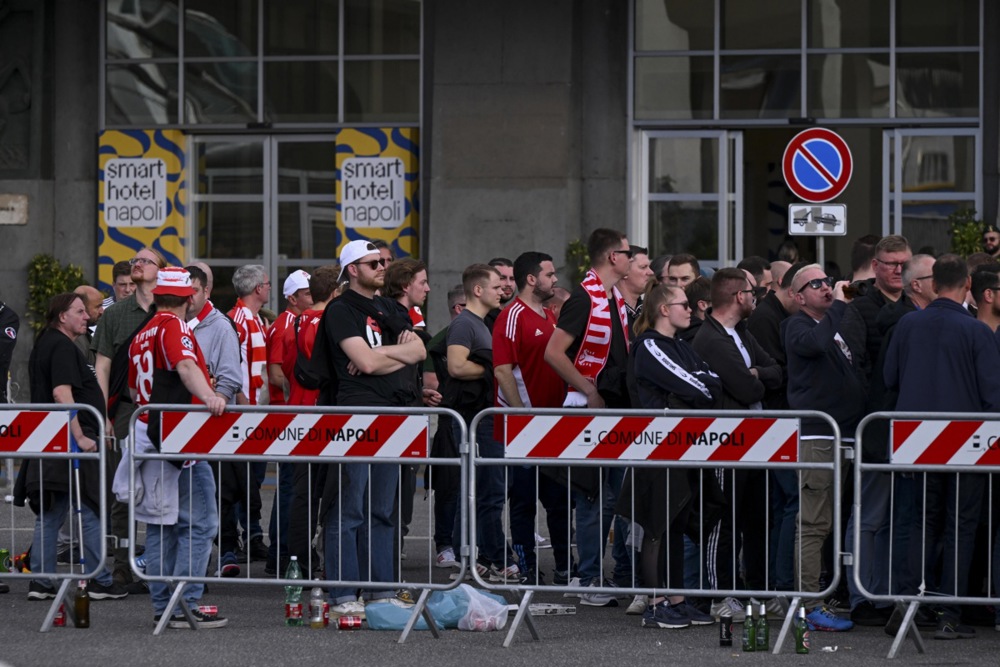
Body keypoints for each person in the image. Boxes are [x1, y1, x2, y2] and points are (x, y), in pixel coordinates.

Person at [884, 254, 1000, 640]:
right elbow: (993, 394)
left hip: (915, 440)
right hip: (966, 443)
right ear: (967, 285)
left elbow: (890, 377)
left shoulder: (907, 324)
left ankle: (908, 605)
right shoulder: (977, 331)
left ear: (934, 285)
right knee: (960, 527)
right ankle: (949, 613)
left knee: (917, 523)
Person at [318, 239, 425, 618]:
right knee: (349, 509)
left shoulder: (388, 307)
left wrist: (378, 354)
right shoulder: (340, 309)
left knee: (382, 510)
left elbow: (419, 351)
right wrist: (382, 357)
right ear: (353, 270)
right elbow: (363, 364)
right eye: (373, 263)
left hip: (391, 416)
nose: (382, 267)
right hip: (356, 415)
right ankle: (343, 593)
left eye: (382, 262)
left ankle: (381, 591)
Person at [127, 267, 228, 628]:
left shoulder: (142, 332)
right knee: (201, 523)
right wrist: (210, 395)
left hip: (149, 435)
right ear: (188, 298)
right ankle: (186, 603)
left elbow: (133, 389)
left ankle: (163, 606)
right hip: (177, 439)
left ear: (157, 296)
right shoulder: (174, 326)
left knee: (161, 526)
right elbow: (184, 364)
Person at [620, 282, 720, 629]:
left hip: (682, 445)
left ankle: (676, 598)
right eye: (683, 305)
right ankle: (657, 602)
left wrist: (694, 389)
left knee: (675, 524)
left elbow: (713, 382)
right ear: (664, 310)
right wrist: (694, 389)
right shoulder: (649, 345)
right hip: (657, 447)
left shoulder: (680, 345)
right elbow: (700, 388)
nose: (690, 309)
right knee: (657, 525)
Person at [544, 228, 633, 607]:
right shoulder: (584, 298)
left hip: (612, 408)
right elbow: (554, 352)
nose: (632, 258)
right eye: (628, 252)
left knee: (610, 497)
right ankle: (589, 577)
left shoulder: (614, 297)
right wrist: (589, 390)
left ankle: (597, 572)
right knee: (593, 497)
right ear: (613, 257)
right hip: (588, 409)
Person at [21, 293, 127, 602]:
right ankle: (98, 579)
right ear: (62, 316)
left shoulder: (48, 342)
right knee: (90, 507)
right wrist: (80, 437)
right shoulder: (62, 346)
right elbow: (62, 393)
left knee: (53, 511)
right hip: (69, 441)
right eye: (79, 311)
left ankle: (42, 581)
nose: (87, 316)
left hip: (52, 438)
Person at [691, 267, 780, 621]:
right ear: (738, 296)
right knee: (725, 520)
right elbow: (747, 389)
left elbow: (776, 370)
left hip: (756, 439)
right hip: (726, 441)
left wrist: (757, 373)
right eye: (752, 293)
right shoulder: (711, 339)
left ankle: (757, 591)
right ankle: (720, 595)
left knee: (757, 519)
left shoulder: (741, 331)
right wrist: (755, 377)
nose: (756, 298)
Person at [783, 264, 864, 633]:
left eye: (827, 281)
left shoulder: (829, 324)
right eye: (814, 284)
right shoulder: (797, 326)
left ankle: (818, 598)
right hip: (817, 438)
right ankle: (808, 604)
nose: (826, 287)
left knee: (827, 523)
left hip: (840, 435)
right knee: (813, 524)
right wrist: (840, 307)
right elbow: (815, 345)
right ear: (798, 297)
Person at [492, 251, 571, 584]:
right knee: (524, 503)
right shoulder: (512, 315)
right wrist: (522, 416)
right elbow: (502, 369)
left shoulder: (550, 315)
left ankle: (566, 568)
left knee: (559, 502)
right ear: (531, 279)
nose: (555, 280)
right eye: (549, 275)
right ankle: (527, 568)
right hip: (524, 429)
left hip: (553, 427)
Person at [91, 245, 166, 590]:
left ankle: (162, 565)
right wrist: (103, 414)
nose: (137, 263)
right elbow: (102, 366)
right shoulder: (115, 314)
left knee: (165, 488)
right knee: (123, 491)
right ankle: (122, 566)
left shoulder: (171, 310)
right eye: (136, 260)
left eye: (145, 260)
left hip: (165, 412)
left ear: (160, 270)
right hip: (125, 410)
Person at [447, 263, 518, 581]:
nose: (502, 291)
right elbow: (456, 366)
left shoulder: (482, 323)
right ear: (478, 290)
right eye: (496, 286)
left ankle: (478, 556)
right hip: (475, 420)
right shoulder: (465, 324)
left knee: (485, 490)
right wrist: (493, 370)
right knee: (485, 490)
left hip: (484, 418)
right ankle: (489, 557)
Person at [227, 264, 271, 562]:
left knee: (253, 480)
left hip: (256, 413)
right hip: (244, 413)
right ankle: (235, 540)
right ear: (257, 289)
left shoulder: (254, 319)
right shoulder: (237, 320)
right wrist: (243, 404)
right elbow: (230, 366)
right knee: (239, 481)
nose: (269, 288)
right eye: (267, 284)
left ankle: (252, 535)